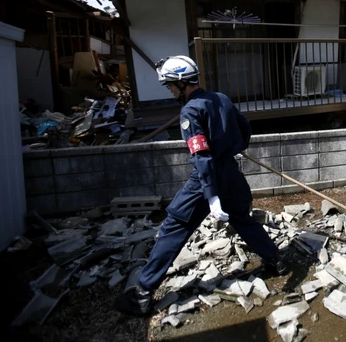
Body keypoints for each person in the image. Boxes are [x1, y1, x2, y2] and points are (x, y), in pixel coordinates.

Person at [115, 56, 286, 316]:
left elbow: (202, 157)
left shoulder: (190, 111)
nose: (170, 90)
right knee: (242, 219)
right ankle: (276, 260)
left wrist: (211, 196)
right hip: (231, 172)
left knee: (174, 226)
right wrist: (236, 148)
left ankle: (141, 295)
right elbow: (244, 126)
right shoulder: (221, 98)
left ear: (183, 83)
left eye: (171, 85)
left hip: (207, 177)